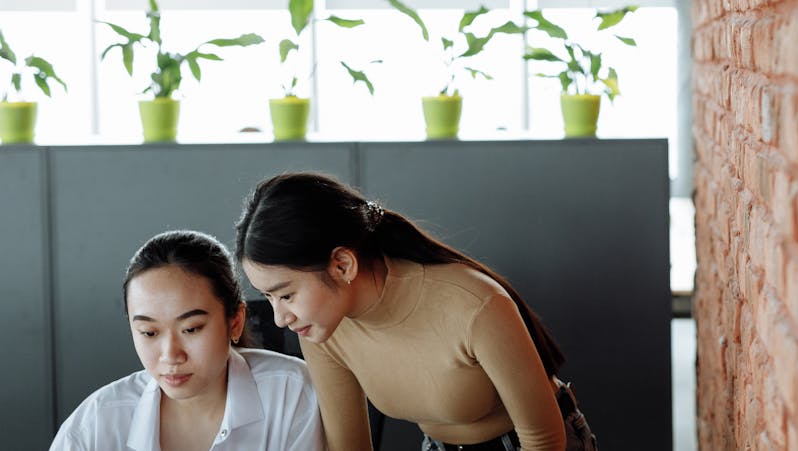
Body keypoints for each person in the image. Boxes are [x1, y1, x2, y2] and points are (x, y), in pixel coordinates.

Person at [234, 171, 598, 451]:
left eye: (286, 295)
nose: (280, 318)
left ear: (342, 265)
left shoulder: (474, 303)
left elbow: (544, 439)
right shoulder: (321, 329)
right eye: (268, 298)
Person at [51, 230, 325, 451]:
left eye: (191, 329)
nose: (170, 355)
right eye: (149, 333)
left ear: (236, 321)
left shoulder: (292, 393)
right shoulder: (97, 424)